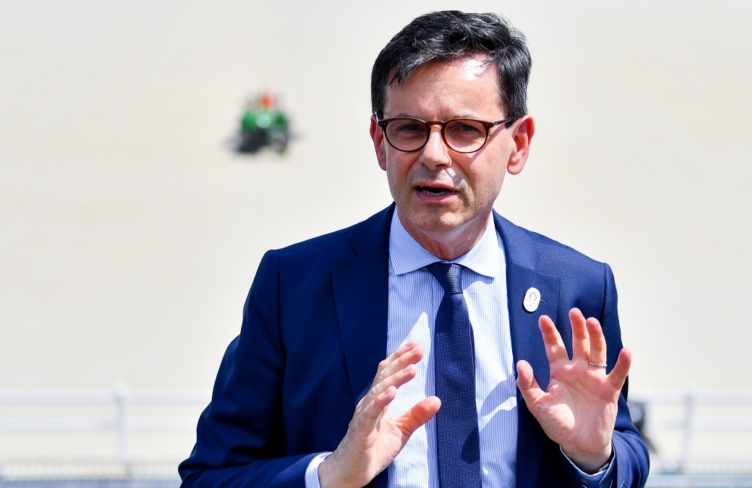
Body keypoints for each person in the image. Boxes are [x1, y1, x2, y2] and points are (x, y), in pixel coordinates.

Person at [180, 10, 649, 488]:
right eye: (408, 128)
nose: (433, 155)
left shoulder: (577, 288)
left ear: (519, 144)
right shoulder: (293, 286)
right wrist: (328, 475)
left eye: (465, 129)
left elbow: (624, 451)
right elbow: (209, 477)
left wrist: (593, 458)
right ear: (379, 143)